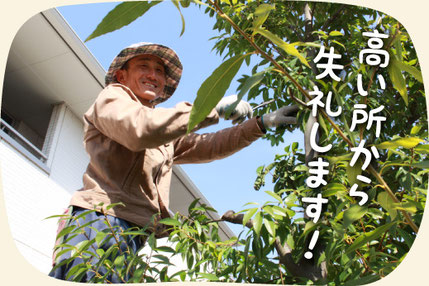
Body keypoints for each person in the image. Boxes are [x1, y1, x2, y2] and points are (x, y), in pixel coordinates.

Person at [49, 42, 298, 282]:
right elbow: (140, 130)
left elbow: (207, 145)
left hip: (131, 229)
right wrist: (210, 106)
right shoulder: (112, 98)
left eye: (159, 71)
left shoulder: (162, 128)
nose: (154, 75)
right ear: (121, 76)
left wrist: (261, 123)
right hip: (100, 220)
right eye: (143, 66)